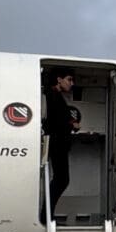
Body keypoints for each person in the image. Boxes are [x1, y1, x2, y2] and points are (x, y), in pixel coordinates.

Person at [43, 69, 80, 219]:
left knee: (60, 180)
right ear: (59, 79)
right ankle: (46, 214)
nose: (72, 83)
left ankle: (47, 213)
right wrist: (72, 125)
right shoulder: (53, 95)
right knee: (62, 180)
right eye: (69, 79)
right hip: (57, 144)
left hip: (58, 143)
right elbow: (56, 121)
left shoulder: (55, 95)